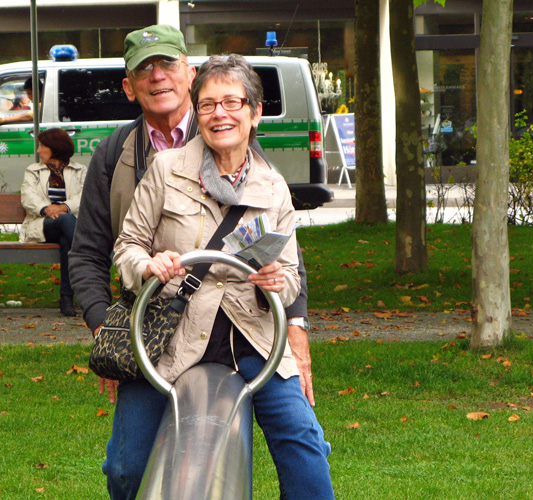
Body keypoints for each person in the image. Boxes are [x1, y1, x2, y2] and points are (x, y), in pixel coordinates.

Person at [111, 54, 334, 500]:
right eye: (209, 104)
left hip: (251, 333)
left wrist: (276, 281)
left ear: (255, 113)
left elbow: (290, 277)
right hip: (172, 332)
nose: (220, 114)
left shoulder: (273, 188)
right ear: (198, 112)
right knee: (123, 467)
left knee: (307, 456)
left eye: (232, 103)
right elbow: (127, 247)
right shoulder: (167, 168)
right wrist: (148, 266)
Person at [69, 24, 317, 409]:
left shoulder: (233, 139)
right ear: (129, 87)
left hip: (237, 325)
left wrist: (296, 327)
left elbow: (278, 247)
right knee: (126, 465)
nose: (157, 76)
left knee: (296, 436)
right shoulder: (113, 154)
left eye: (168, 63)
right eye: (143, 69)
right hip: (156, 324)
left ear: (190, 74)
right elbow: (89, 251)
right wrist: (108, 331)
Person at [20, 128, 86, 316]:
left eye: (42, 146)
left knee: (67, 241)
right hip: (43, 224)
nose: (38, 150)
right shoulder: (33, 171)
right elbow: (28, 196)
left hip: (68, 226)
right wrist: (47, 209)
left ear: (55, 148)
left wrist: (64, 207)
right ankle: (86, 259)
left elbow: (85, 196)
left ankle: (66, 298)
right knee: (66, 222)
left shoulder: (80, 170)